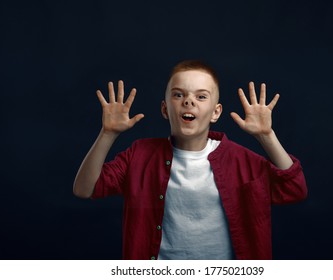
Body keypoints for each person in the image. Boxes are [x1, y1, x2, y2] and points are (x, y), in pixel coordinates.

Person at [73, 60, 307, 260]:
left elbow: (295, 189)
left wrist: (266, 136)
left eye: (201, 96)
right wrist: (108, 134)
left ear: (216, 112)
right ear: (165, 109)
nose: (188, 101)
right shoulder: (139, 154)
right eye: (178, 94)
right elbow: (84, 189)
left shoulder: (241, 160)